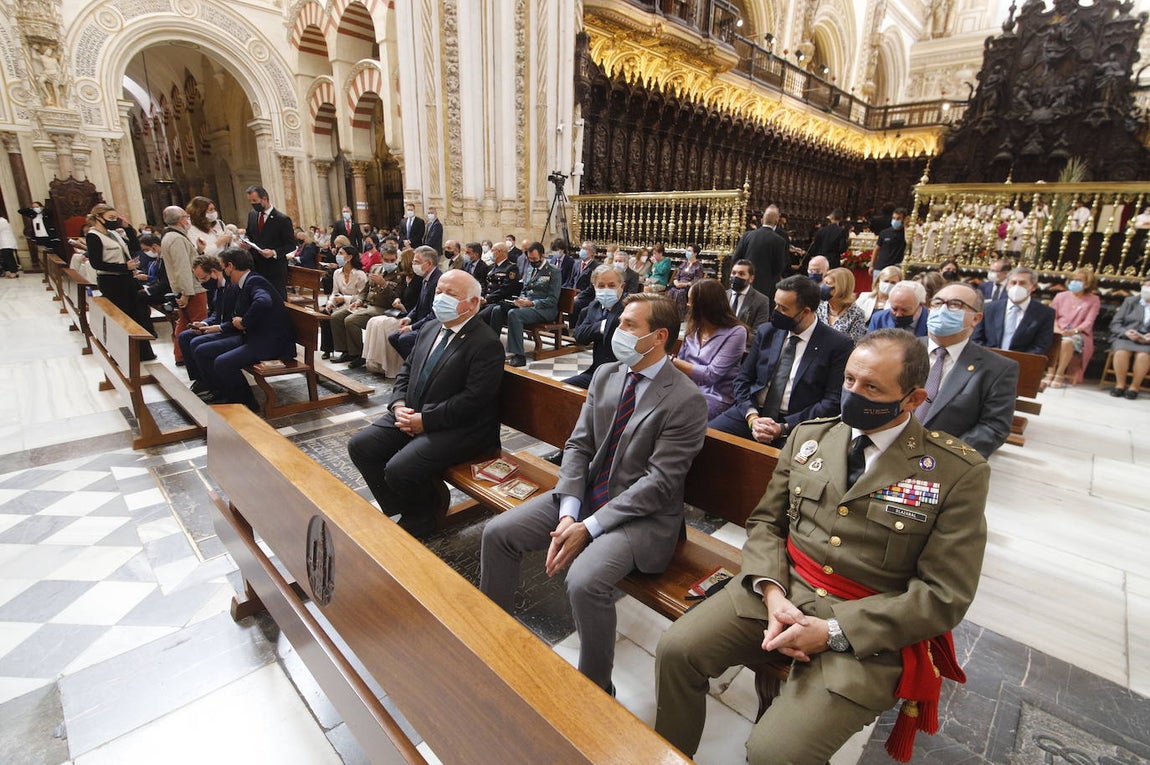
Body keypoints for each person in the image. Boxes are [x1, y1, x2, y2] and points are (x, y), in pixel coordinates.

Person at [655, 329, 990, 765]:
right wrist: (772, 593)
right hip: (781, 589)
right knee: (677, 651)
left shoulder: (954, 472)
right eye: (849, 379)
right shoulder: (811, 437)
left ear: (912, 399)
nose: (853, 393)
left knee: (775, 754)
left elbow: (944, 595)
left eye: (872, 387)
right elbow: (767, 523)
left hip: (865, 622)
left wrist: (832, 631)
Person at [481, 293, 708, 693]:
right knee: (498, 533)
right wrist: (569, 512)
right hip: (585, 496)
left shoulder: (684, 398)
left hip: (642, 516)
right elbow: (578, 445)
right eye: (620, 322)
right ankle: (492, 637)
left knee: (585, 581)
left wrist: (588, 527)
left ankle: (596, 688)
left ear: (659, 337)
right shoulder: (608, 374)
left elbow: (660, 483)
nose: (618, 330)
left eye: (629, 325)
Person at [349, 270, 503, 537]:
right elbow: (407, 370)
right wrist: (398, 404)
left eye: (450, 294)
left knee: (400, 469)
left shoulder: (485, 343)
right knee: (361, 446)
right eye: (439, 292)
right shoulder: (432, 327)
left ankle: (424, 515)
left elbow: (474, 400)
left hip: (462, 427)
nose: (440, 298)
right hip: (413, 411)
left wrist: (425, 420)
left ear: (472, 303)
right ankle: (405, 506)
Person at [709, 275, 854, 446]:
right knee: (706, 438)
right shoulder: (767, 332)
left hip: (798, 422)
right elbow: (743, 379)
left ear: (806, 312)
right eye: (776, 304)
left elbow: (832, 402)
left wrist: (784, 427)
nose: (775, 311)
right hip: (753, 412)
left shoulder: (837, 344)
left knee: (785, 459)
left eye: (783, 308)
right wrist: (752, 417)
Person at [916, 282, 1019, 458]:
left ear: (976, 318)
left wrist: (943, 457)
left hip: (945, 460)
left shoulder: (998, 369)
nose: (942, 310)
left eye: (955, 305)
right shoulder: (901, 348)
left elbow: (993, 428)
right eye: (937, 303)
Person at [201, 248, 297, 410]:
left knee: (223, 362)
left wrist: (244, 322)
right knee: (205, 350)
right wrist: (228, 326)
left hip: (271, 343)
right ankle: (225, 393)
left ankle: (246, 404)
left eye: (223, 268)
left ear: (231, 266)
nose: (223, 272)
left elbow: (263, 302)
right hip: (255, 337)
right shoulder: (246, 282)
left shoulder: (254, 281)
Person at [85, 204, 155, 360]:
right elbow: (96, 263)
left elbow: (134, 247)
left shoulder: (113, 233)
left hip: (127, 279)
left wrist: (127, 228)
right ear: (98, 217)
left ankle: (143, 353)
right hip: (112, 282)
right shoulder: (93, 236)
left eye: (116, 217)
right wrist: (124, 267)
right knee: (121, 317)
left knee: (136, 315)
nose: (114, 221)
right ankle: (123, 356)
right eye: (111, 218)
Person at [672, 279, 748, 418]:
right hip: (687, 388)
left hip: (715, 396)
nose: (688, 305)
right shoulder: (694, 327)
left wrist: (672, 361)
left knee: (678, 414)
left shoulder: (736, 332)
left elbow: (711, 375)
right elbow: (680, 367)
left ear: (704, 305)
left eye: (691, 301)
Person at [488, 241, 561, 367]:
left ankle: (519, 355)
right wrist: (521, 300)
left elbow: (553, 299)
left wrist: (532, 303)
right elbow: (525, 290)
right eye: (530, 259)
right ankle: (493, 348)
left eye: (534, 259)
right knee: (497, 310)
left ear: (542, 256)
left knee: (514, 314)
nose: (532, 261)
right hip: (527, 306)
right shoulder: (530, 269)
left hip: (545, 309)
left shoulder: (553, 271)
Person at [181, 254, 241, 396]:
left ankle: (217, 387)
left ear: (214, 272)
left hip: (232, 330)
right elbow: (216, 313)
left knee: (198, 344)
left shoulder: (233, 286)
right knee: (184, 337)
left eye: (204, 279)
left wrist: (217, 327)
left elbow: (237, 317)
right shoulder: (218, 288)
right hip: (220, 326)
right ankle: (202, 379)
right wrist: (204, 323)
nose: (202, 283)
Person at [332, 246, 402, 368]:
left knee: (351, 320)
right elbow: (365, 290)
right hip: (367, 304)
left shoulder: (400, 275)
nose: (389, 263)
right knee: (336, 316)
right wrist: (359, 300)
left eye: (392, 260)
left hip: (383, 307)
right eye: (386, 260)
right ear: (381, 258)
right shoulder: (376, 268)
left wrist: (384, 285)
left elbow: (396, 298)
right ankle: (346, 351)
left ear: (396, 258)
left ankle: (359, 354)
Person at [161, 206, 209, 365]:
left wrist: (199, 251)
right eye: (186, 216)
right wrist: (186, 294)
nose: (188, 219)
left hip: (186, 288)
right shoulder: (176, 238)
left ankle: (181, 355)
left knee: (184, 322)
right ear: (180, 220)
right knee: (198, 322)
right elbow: (182, 268)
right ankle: (196, 355)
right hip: (191, 288)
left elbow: (188, 261)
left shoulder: (173, 236)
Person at [564, 265, 625, 388]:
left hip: (623, 375)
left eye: (611, 285)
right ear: (594, 287)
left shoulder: (629, 306)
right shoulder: (594, 306)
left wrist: (596, 328)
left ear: (622, 286)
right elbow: (580, 336)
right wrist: (602, 326)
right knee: (560, 388)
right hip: (598, 372)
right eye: (601, 286)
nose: (606, 289)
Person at [972, 267, 1055, 355]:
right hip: (987, 358)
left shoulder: (1045, 313)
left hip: (1022, 361)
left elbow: (1040, 346)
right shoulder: (989, 308)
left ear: (1033, 287)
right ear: (1007, 285)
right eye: (1013, 283)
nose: (1017, 287)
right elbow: (976, 339)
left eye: (1022, 283)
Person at [1047, 269, 1101, 388]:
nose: (1074, 282)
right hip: (1058, 329)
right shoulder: (1060, 296)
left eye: (1079, 280)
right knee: (1053, 339)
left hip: (1078, 333)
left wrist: (1073, 331)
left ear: (1087, 283)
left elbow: (1089, 322)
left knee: (1067, 342)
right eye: (1073, 280)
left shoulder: (1094, 300)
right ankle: (1050, 373)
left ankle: (1059, 374)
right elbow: (1052, 316)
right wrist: (1057, 329)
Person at [388, 247, 443, 360]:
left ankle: (416, 366)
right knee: (393, 337)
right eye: (413, 262)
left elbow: (434, 314)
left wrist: (412, 327)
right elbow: (419, 304)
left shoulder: (437, 281)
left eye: (416, 262)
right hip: (421, 321)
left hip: (432, 325)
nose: (413, 265)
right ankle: (411, 364)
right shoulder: (425, 278)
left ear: (428, 264)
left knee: (404, 339)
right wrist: (408, 318)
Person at [241, 185, 295, 298]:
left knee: (276, 299)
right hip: (256, 266)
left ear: (264, 199)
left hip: (274, 269)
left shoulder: (282, 219)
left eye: (254, 200)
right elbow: (249, 234)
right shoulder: (252, 215)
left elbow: (291, 245)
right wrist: (246, 243)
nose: (252, 203)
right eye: (250, 201)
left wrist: (273, 252)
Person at [321, 246, 368, 358]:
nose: (338, 256)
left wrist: (345, 298)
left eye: (341, 253)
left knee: (338, 316)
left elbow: (363, 296)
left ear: (350, 257)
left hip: (356, 305)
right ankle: (327, 349)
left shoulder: (359, 274)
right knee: (325, 313)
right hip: (341, 303)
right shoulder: (337, 273)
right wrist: (330, 303)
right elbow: (334, 292)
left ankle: (346, 350)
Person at [1107, 279, 1150, 399]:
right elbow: (1115, 323)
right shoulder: (1130, 301)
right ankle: (1120, 385)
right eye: (1147, 286)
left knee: (1143, 356)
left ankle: (1134, 387)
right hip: (1126, 337)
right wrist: (1126, 332)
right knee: (1121, 352)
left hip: (1147, 342)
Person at [733, 206, 787, 300]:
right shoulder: (779, 241)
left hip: (745, 281)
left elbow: (736, 259)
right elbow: (779, 267)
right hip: (765, 285)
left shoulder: (747, 235)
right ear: (776, 221)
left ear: (762, 220)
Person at [816, 267, 867, 341]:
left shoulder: (856, 314)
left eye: (827, 283)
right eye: (823, 283)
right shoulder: (818, 307)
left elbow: (855, 343)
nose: (822, 287)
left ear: (841, 288)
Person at [728, 259, 773, 342]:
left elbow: (758, 333)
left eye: (741, 274)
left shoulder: (761, 300)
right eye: (733, 273)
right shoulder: (723, 295)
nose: (736, 277)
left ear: (751, 278)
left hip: (744, 346)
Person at [666, 243, 705, 318]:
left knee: (679, 293)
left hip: (689, 286)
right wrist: (676, 282)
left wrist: (684, 284)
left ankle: (679, 315)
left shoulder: (698, 266)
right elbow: (677, 276)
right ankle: (669, 313)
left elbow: (697, 280)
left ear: (695, 253)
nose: (687, 252)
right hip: (678, 284)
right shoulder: (684, 264)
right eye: (687, 250)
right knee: (671, 291)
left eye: (689, 251)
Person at [871, 208, 907, 277]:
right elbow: (876, 249)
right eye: (894, 218)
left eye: (898, 218)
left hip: (896, 269)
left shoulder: (906, 234)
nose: (895, 220)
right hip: (880, 267)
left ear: (904, 219)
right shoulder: (884, 233)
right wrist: (872, 265)